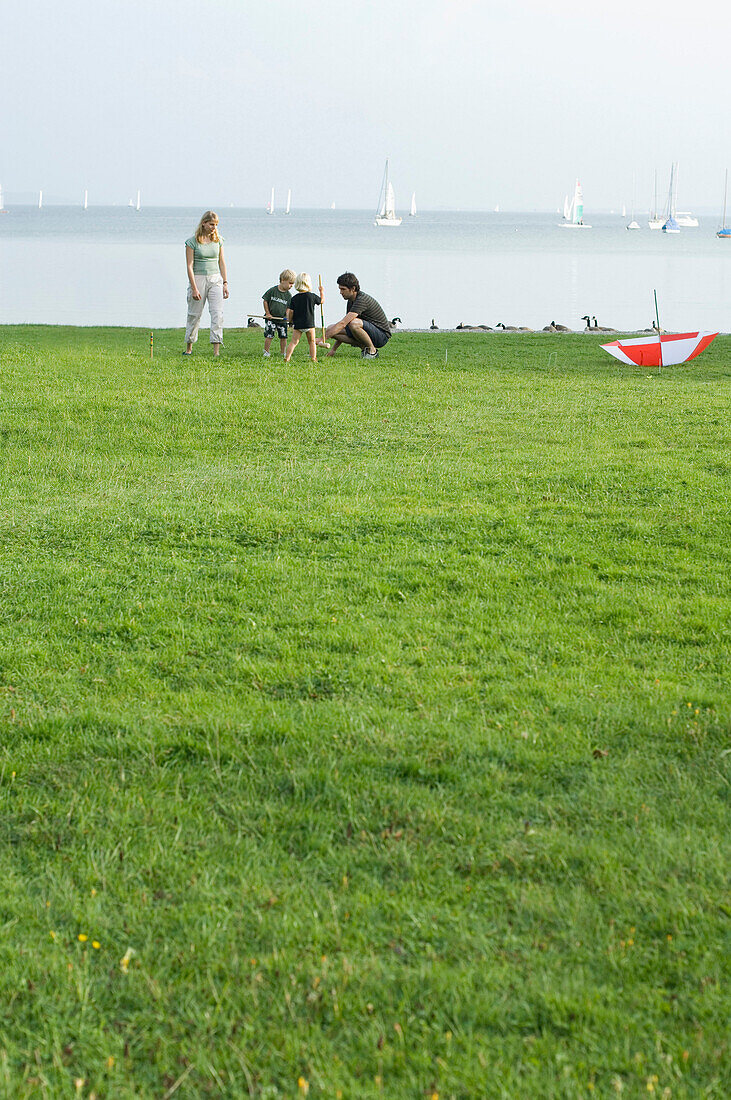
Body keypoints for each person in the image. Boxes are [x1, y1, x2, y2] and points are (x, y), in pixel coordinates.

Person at [184, 211, 228, 356]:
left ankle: (216, 351)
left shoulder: (218, 240)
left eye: (216, 225)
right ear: (204, 223)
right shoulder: (192, 242)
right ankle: (189, 347)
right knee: (194, 315)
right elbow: (189, 266)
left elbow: (222, 262)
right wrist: (194, 288)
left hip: (215, 279)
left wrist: (225, 283)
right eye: (211, 224)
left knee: (217, 314)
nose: (213, 227)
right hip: (198, 278)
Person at [325, 272, 391, 358]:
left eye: (343, 289)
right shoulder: (351, 300)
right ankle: (364, 348)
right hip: (367, 332)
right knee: (331, 329)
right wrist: (333, 350)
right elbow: (344, 325)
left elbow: (343, 323)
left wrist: (323, 338)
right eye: (340, 289)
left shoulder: (361, 300)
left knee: (354, 323)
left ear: (353, 288)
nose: (340, 292)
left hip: (381, 336)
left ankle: (372, 351)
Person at [284, 273, 323, 363]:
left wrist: (290, 321)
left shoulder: (294, 298)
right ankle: (313, 358)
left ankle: (287, 357)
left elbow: (291, 312)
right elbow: (322, 301)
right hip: (309, 324)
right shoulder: (311, 296)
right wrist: (321, 291)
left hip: (298, 324)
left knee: (293, 342)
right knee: (312, 342)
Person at [262, 269, 295, 357]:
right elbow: (265, 301)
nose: (291, 286)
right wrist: (267, 313)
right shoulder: (272, 290)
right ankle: (266, 351)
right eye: (290, 283)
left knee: (283, 337)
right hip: (271, 319)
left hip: (282, 320)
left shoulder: (288, 295)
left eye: (293, 284)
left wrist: (288, 317)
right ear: (283, 280)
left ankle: (283, 352)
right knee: (269, 335)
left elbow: (288, 308)